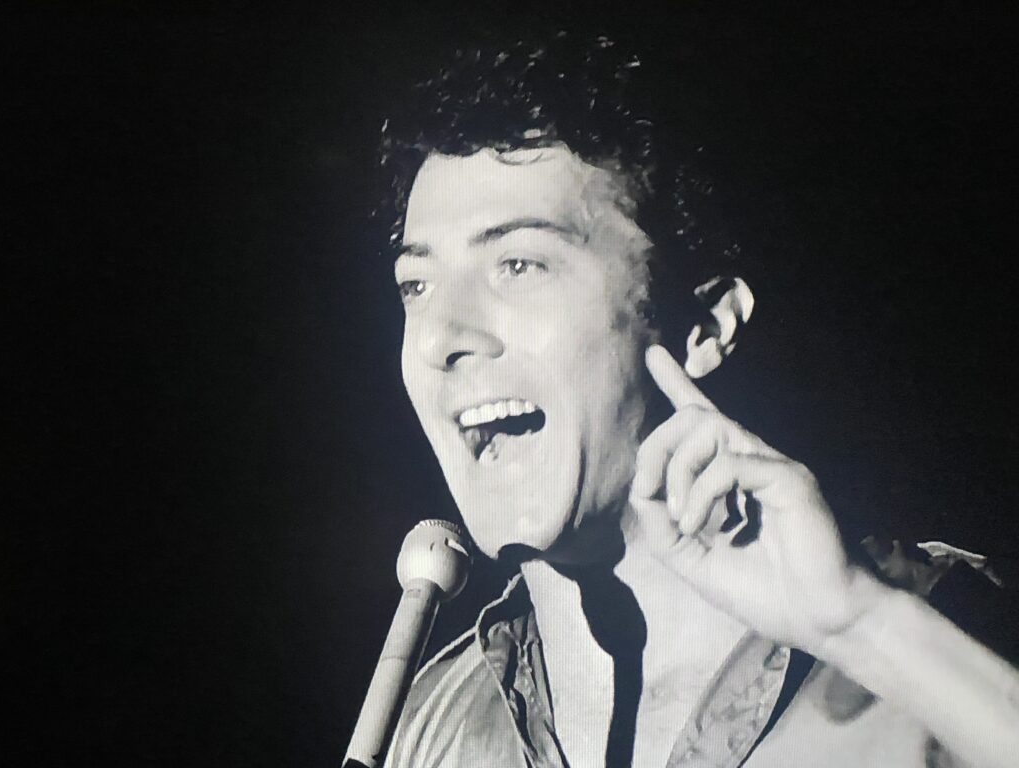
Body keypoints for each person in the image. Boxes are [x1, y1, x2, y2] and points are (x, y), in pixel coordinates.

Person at [372, 34, 1019, 767]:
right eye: (415, 286)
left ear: (705, 328)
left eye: (518, 264)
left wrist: (860, 629)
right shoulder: (427, 727)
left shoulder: (946, 635)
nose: (439, 338)